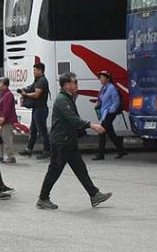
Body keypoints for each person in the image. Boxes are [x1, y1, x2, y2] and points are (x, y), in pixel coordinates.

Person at [36, 72, 113, 210]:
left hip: (68, 141)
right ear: (66, 85)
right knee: (55, 170)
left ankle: (94, 194)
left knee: (80, 169)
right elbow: (73, 119)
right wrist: (92, 125)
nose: (77, 84)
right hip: (61, 142)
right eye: (74, 82)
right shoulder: (62, 100)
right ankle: (43, 198)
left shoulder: (68, 98)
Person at [20, 63, 51, 159]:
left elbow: (37, 95)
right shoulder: (37, 81)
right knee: (33, 130)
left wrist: (25, 94)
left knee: (42, 131)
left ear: (40, 71)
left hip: (40, 109)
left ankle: (47, 150)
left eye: (35, 70)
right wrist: (23, 90)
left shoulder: (42, 81)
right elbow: (30, 88)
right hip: (36, 109)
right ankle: (28, 149)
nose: (33, 72)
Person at [93, 71, 126, 160]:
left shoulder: (112, 88)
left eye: (102, 77)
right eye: (100, 77)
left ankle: (100, 154)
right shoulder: (103, 88)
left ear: (107, 79)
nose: (101, 79)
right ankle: (121, 150)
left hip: (109, 113)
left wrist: (111, 111)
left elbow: (116, 102)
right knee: (111, 133)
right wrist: (98, 103)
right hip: (105, 113)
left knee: (101, 132)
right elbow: (101, 99)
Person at [0, 77, 19, 164]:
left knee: (7, 139)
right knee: (4, 138)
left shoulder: (8, 95)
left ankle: (10, 156)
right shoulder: (5, 94)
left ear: (5, 85)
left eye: (0, 83)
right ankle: (5, 156)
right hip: (5, 120)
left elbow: (7, 108)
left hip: (7, 120)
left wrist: (3, 117)